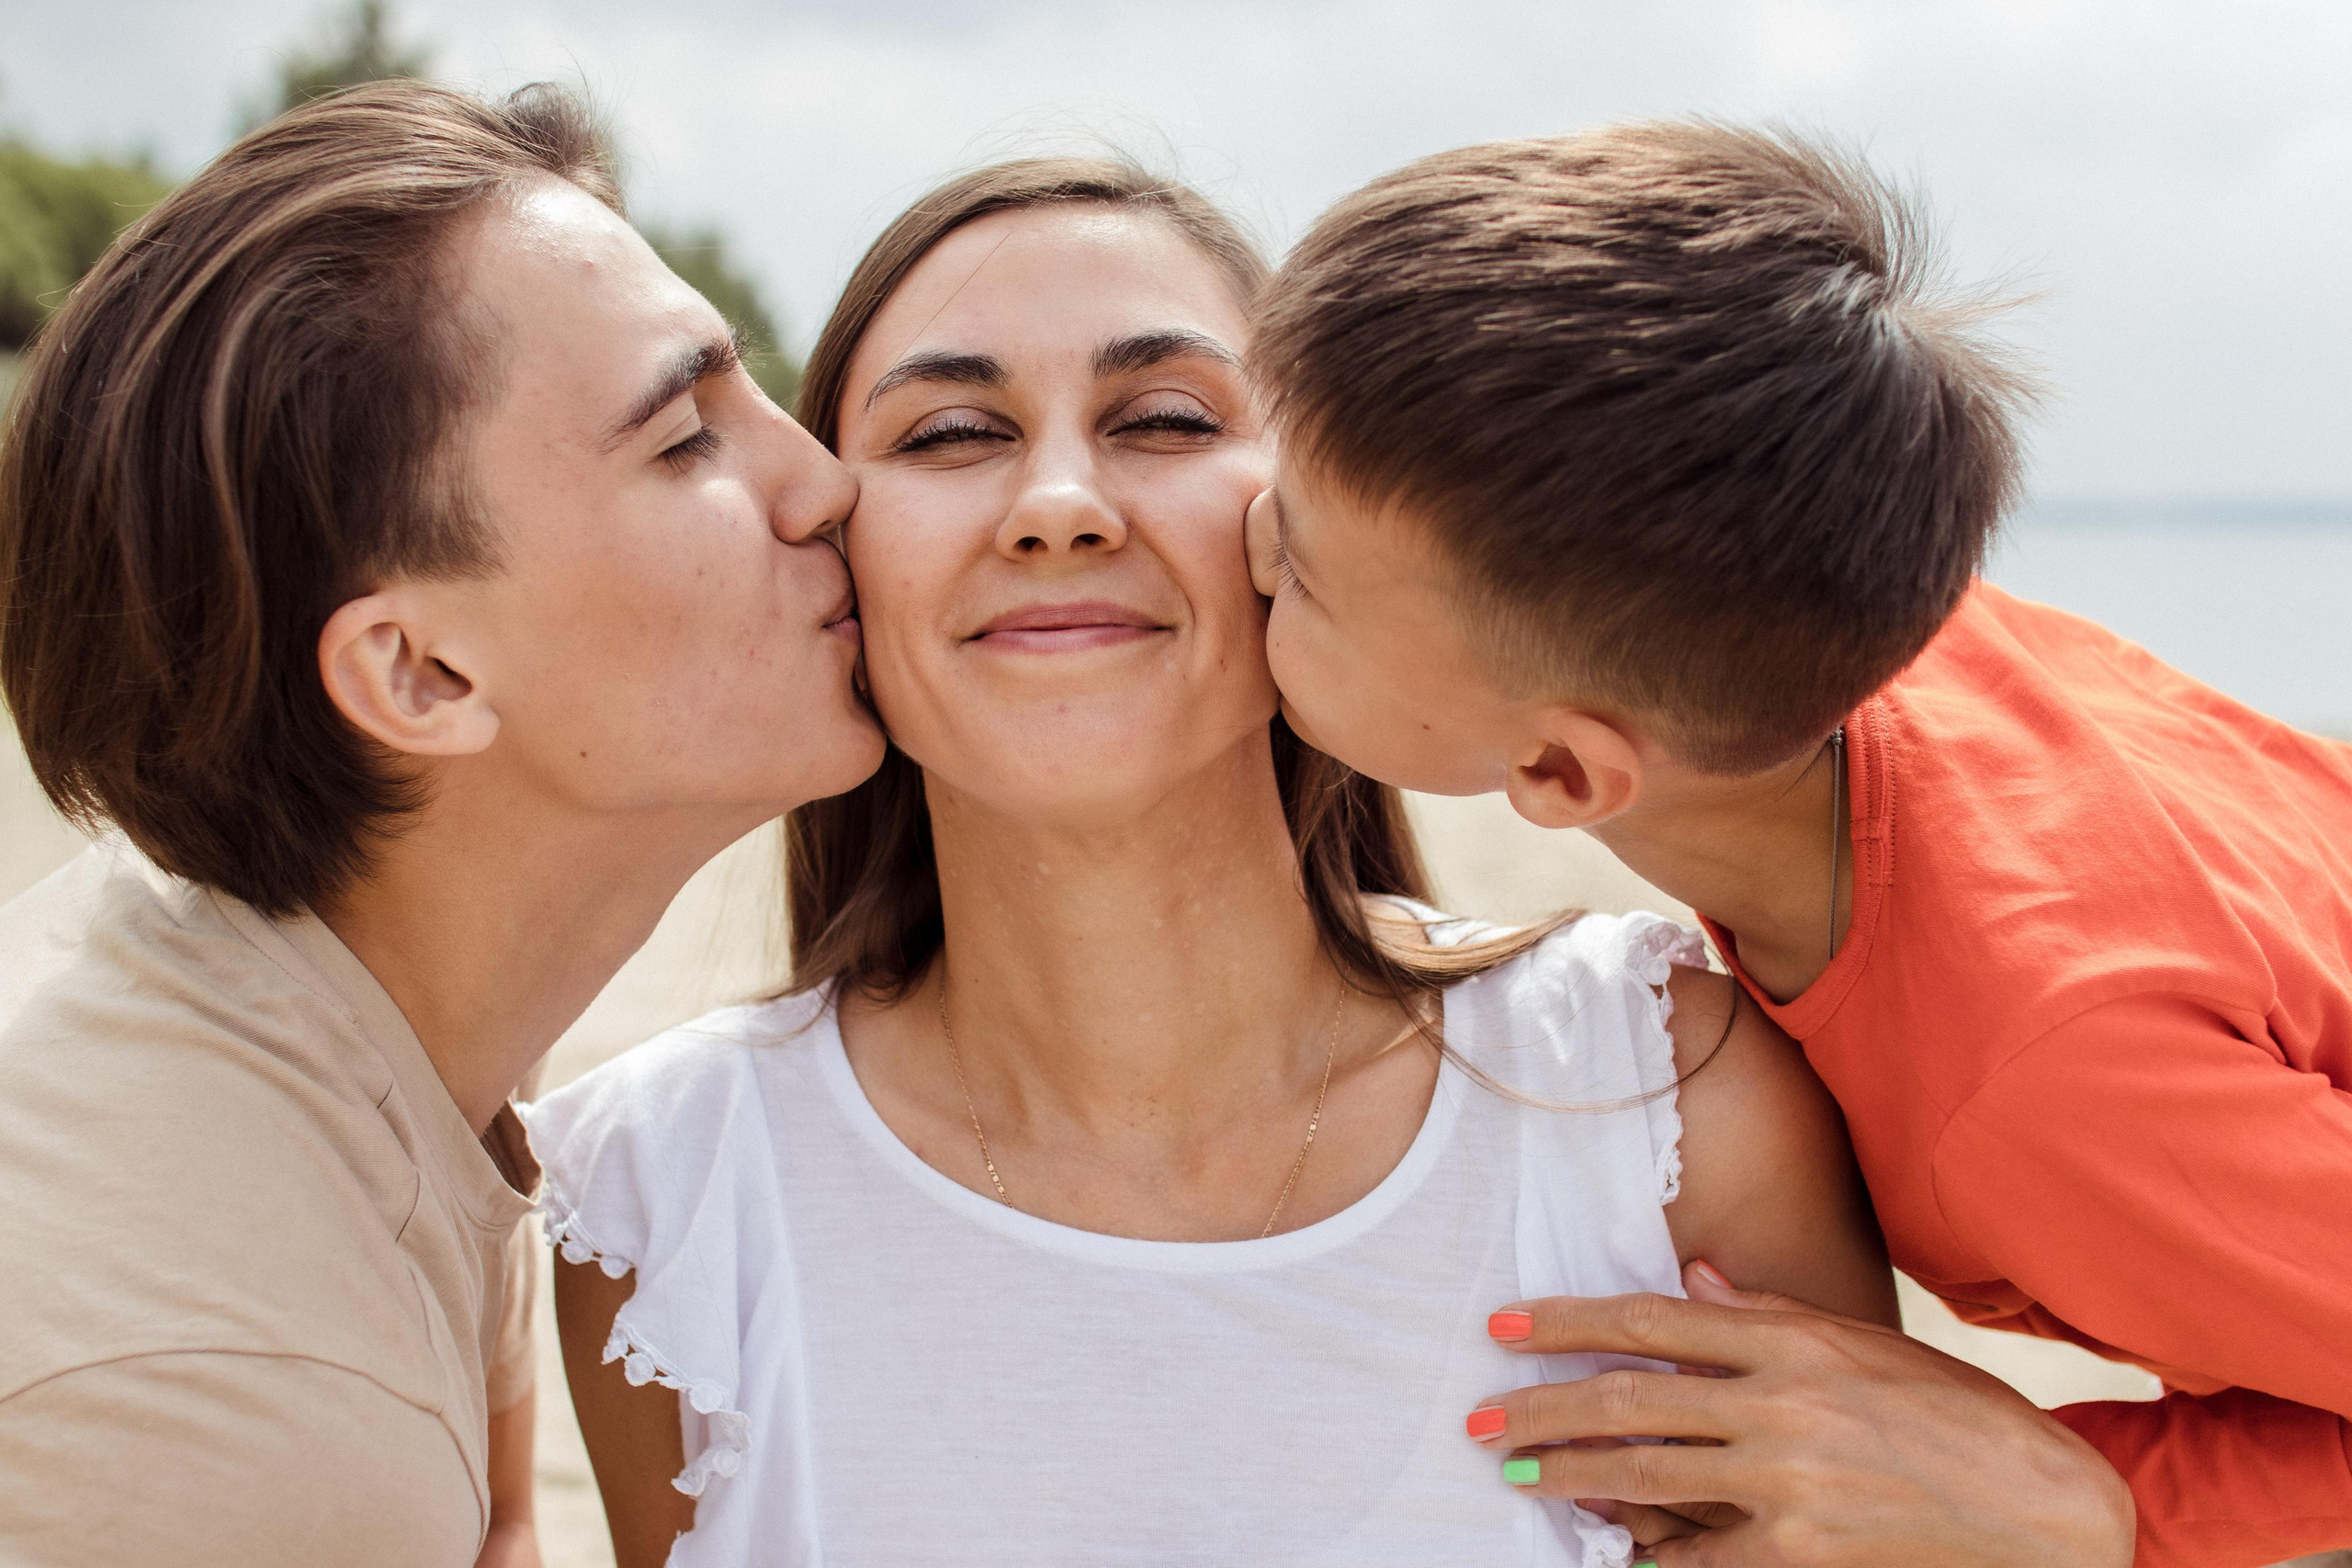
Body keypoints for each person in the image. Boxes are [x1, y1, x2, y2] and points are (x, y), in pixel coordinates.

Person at [526, 156, 1894, 1568]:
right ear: (833, 555)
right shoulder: (668, 1195)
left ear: (1315, 527)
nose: (1058, 504)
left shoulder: (1654, 1101)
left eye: (1167, 420)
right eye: (947, 435)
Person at [1241, 120, 2352, 1568]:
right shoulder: (1864, 637)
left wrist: (2093, 1505)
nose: (1249, 536)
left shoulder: (2031, 1084)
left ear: (1563, 770)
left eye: (1303, 576)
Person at [0, 81, 879, 1567]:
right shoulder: (237, 1422)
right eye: (684, 442)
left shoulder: (329, 964)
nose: (822, 479)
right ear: (419, 674)